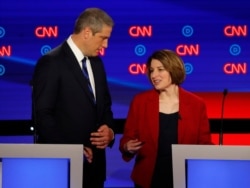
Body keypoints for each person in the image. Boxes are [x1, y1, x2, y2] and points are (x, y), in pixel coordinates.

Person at [32, 8, 115, 188]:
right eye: (103, 37)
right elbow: (43, 116)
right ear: (87, 32)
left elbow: (105, 105)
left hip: (95, 170)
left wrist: (110, 131)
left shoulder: (97, 62)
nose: (106, 45)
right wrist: (72, 149)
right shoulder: (51, 62)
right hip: (63, 167)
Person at [119, 49, 212, 188]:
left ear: (173, 70)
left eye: (160, 70)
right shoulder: (140, 102)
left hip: (184, 177)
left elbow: (204, 143)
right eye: (151, 70)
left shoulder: (196, 104)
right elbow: (127, 138)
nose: (154, 75)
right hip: (148, 178)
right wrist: (127, 146)